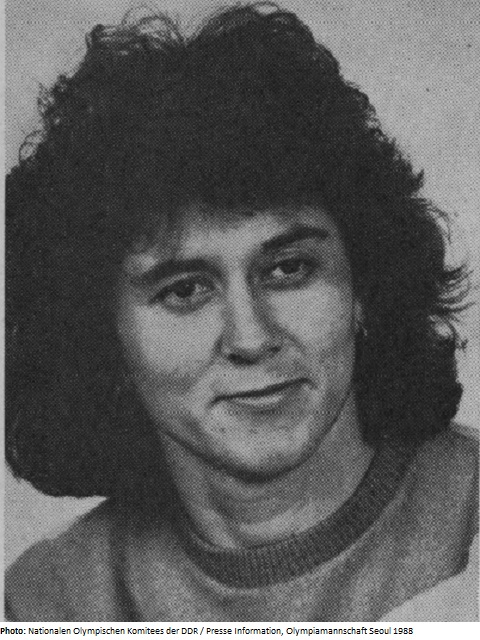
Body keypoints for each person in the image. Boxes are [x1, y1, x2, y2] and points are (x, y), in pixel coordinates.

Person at [5, 1, 478, 622]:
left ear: (364, 286)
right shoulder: (46, 602)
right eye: (184, 291)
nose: (251, 338)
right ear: (104, 337)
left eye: (289, 269)